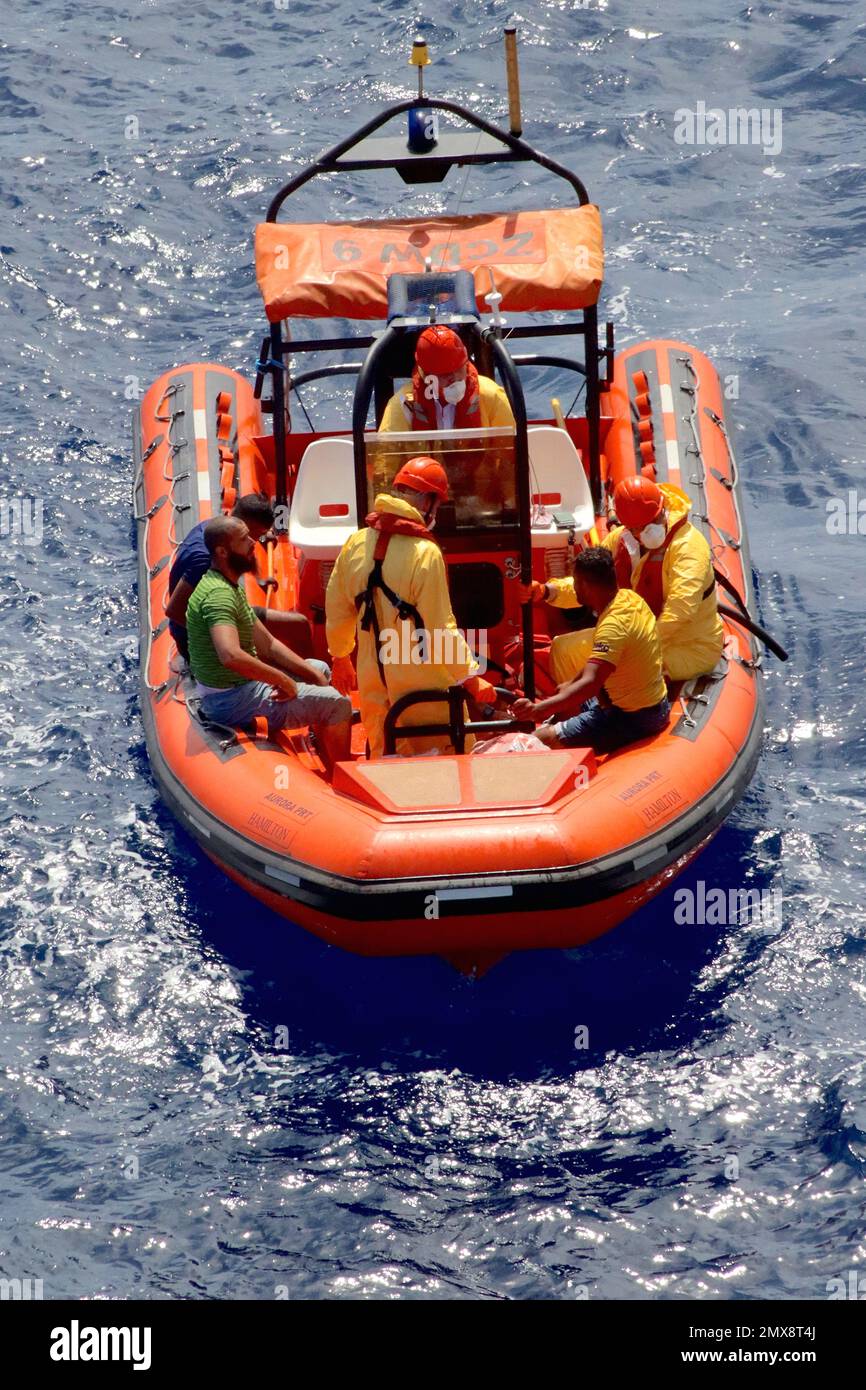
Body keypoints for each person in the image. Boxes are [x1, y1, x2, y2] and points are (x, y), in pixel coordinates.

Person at [325, 456, 496, 758]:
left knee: (385, 751)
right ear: (428, 502)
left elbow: (337, 607)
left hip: (373, 678)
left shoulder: (355, 543)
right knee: (445, 753)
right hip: (422, 683)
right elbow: (441, 629)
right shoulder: (425, 553)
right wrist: (470, 677)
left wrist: (340, 656)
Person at [186, 516, 352, 773]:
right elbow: (230, 655)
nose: (253, 542)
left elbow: (268, 644)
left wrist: (311, 676)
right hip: (230, 700)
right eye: (244, 539)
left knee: (320, 668)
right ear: (222, 551)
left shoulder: (229, 586)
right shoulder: (218, 596)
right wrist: (284, 681)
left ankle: (322, 742)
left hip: (241, 688)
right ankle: (343, 776)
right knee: (339, 703)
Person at [521, 476, 724, 683]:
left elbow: (679, 614)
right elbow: (588, 584)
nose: (649, 530)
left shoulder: (688, 548)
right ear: (629, 527)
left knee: (613, 667)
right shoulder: (620, 540)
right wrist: (548, 591)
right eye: (639, 527)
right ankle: (573, 707)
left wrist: (626, 647)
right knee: (563, 650)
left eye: (654, 520)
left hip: (687, 647)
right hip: (634, 633)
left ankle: (593, 705)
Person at [513, 547, 670, 753]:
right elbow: (594, 668)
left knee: (538, 739)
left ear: (585, 585)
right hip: (646, 703)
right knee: (567, 695)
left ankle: (559, 736)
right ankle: (565, 723)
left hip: (634, 717)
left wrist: (539, 709)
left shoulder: (613, 627)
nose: (575, 587)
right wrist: (570, 684)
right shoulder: (629, 599)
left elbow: (591, 683)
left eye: (575, 582)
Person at [166, 492, 312, 662]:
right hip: (203, 637)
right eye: (254, 536)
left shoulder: (222, 531)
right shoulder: (204, 559)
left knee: (298, 625)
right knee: (296, 627)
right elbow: (174, 611)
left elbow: (244, 555)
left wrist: (259, 579)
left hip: (225, 613)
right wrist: (221, 636)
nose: (254, 542)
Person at [378, 324, 515, 433]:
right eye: (445, 374)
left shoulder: (492, 396)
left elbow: (510, 454)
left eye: (460, 369)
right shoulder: (403, 405)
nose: (455, 379)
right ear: (427, 376)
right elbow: (386, 462)